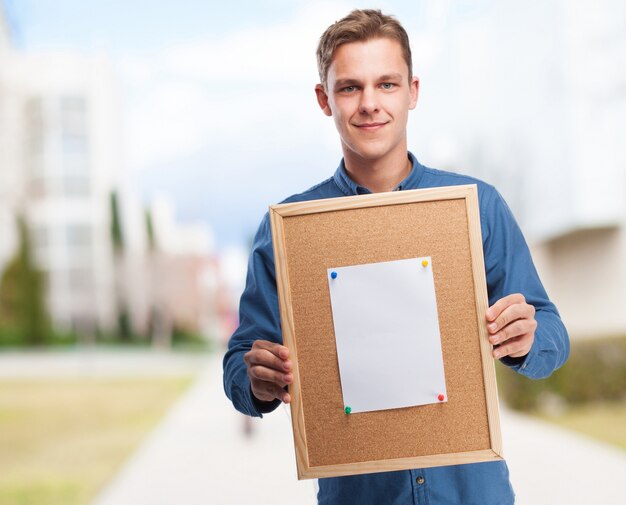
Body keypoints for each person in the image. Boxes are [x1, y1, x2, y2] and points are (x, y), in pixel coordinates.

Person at [223, 9, 569, 505]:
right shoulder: (290, 229)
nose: (369, 104)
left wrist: (525, 338)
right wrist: (255, 381)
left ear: (413, 91)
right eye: (349, 87)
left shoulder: (477, 207)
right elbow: (239, 365)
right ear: (324, 99)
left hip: (473, 494)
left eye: (386, 84)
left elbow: (553, 335)